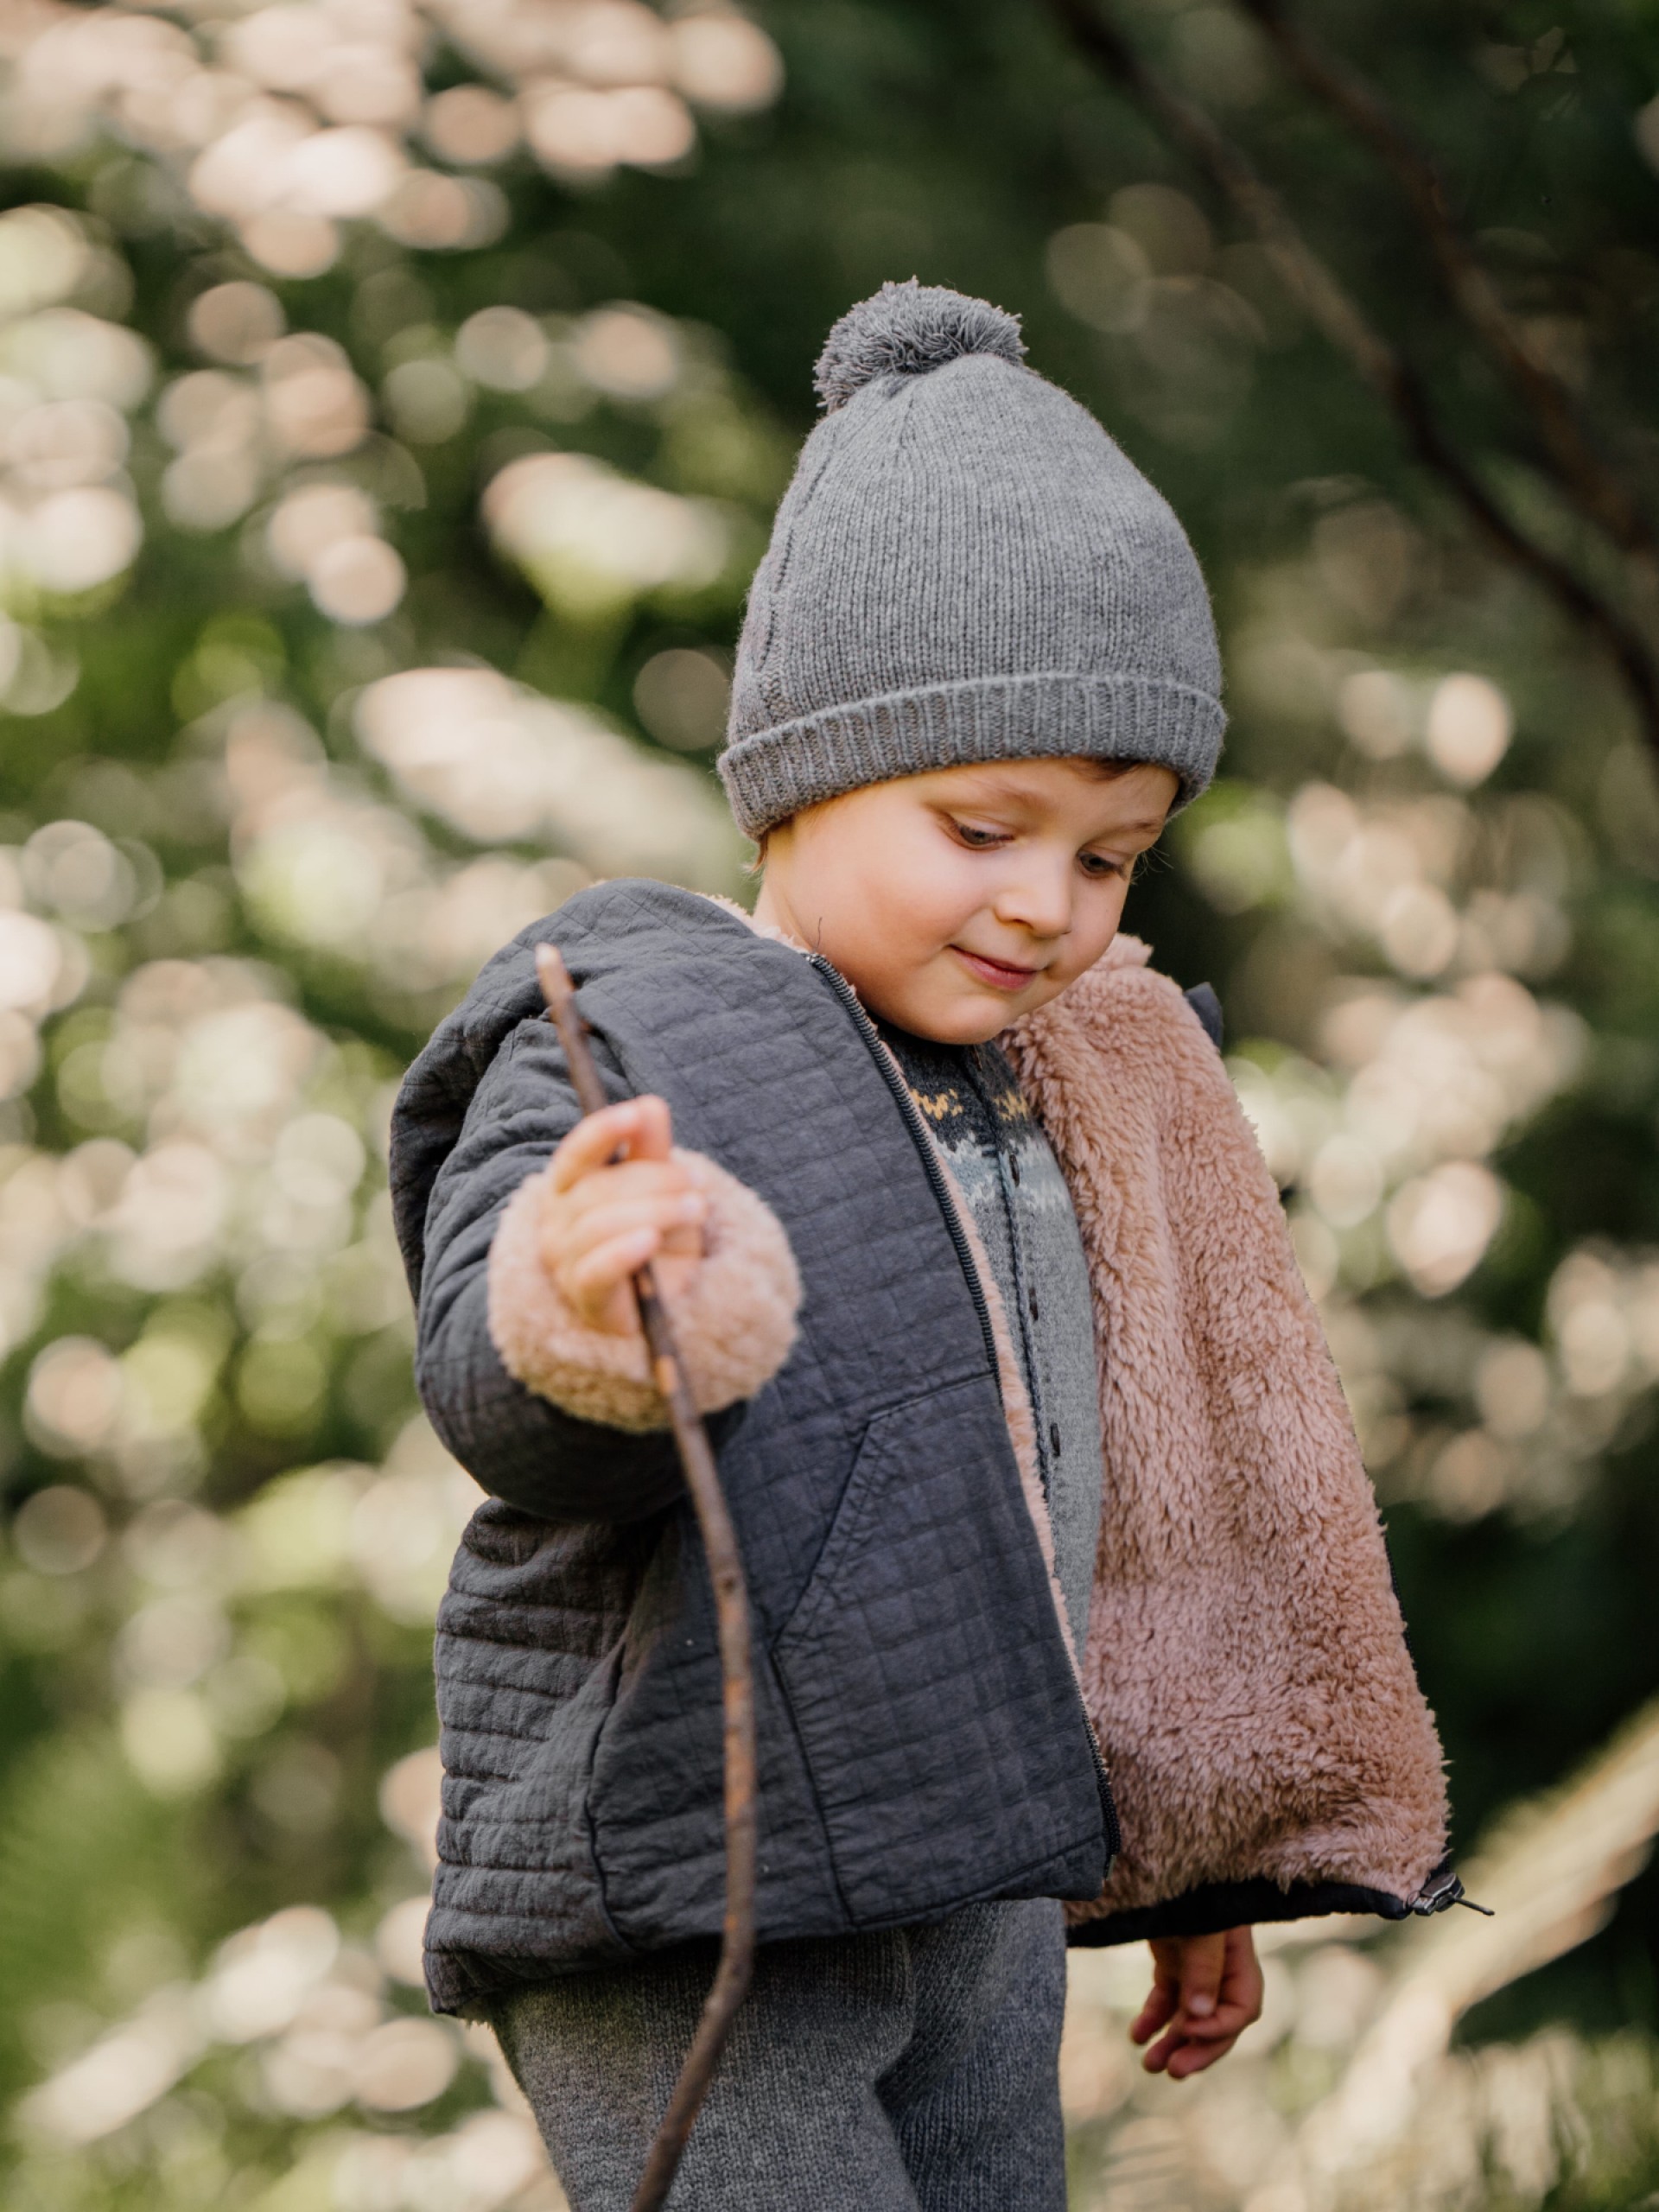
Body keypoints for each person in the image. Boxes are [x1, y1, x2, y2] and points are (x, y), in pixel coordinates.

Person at [390, 281, 1460, 2211]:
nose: (1051, 902)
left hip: (974, 1855)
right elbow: (500, 1387)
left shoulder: (1079, 1085)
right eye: (987, 825)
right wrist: (578, 1296)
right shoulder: (631, 1033)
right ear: (804, 773)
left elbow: (1134, 1481)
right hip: (701, 1874)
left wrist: (1188, 1843)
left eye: (1112, 852)